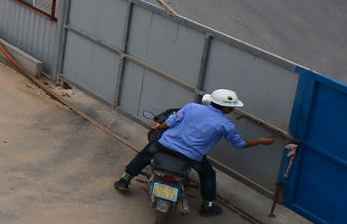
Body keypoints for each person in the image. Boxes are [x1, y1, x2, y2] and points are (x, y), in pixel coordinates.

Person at [113, 89, 275, 215]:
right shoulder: (226, 126)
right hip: (192, 157)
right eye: (232, 107)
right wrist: (260, 141)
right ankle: (207, 207)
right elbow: (240, 145)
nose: (232, 109)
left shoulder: (191, 107)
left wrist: (157, 127)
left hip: (165, 145)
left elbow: (169, 122)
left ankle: (124, 181)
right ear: (226, 107)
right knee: (208, 175)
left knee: (144, 156)